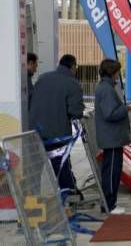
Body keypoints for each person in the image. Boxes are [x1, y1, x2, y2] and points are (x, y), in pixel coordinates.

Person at [29, 54, 85, 193]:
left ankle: (31, 199)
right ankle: (69, 196)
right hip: (57, 134)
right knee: (61, 168)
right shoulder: (72, 83)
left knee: (34, 170)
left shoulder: (43, 78)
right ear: (72, 67)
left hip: (34, 132)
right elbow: (76, 112)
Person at [95, 59, 131, 215]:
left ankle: (108, 202)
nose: (119, 74)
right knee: (112, 171)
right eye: (118, 71)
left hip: (111, 137)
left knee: (111, 170)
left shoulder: (105, 87)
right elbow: (110, 114)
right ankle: (109, 204)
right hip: (111, 137)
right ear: (113, 72)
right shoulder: (106, 89)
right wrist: (127, 108)